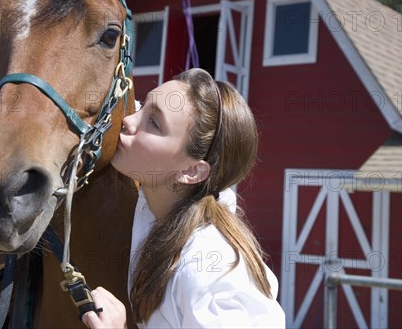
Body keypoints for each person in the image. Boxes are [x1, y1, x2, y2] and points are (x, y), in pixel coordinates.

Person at [83, 68, 286, 328]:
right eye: (143, 106)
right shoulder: (165, 201)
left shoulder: (210, 271)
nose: (129, 120)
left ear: (192, 171)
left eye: (154, 122)